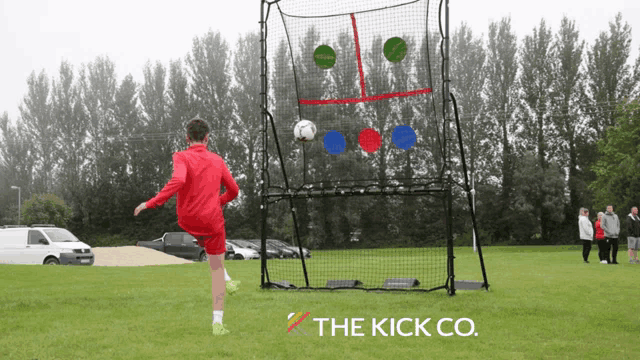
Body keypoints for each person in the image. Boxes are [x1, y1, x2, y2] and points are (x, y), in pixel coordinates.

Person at [134, 117, 239, 335]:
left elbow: (179, 180)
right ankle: (217, 323)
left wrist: (152, 202)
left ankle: (226, 278)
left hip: (187, 219)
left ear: (187, 137)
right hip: (212, 220)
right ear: (207, 138)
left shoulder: (180, 156)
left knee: (207, 246)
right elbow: (234, 191)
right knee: (216, 269)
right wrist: (216, 202)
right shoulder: (217, 160)